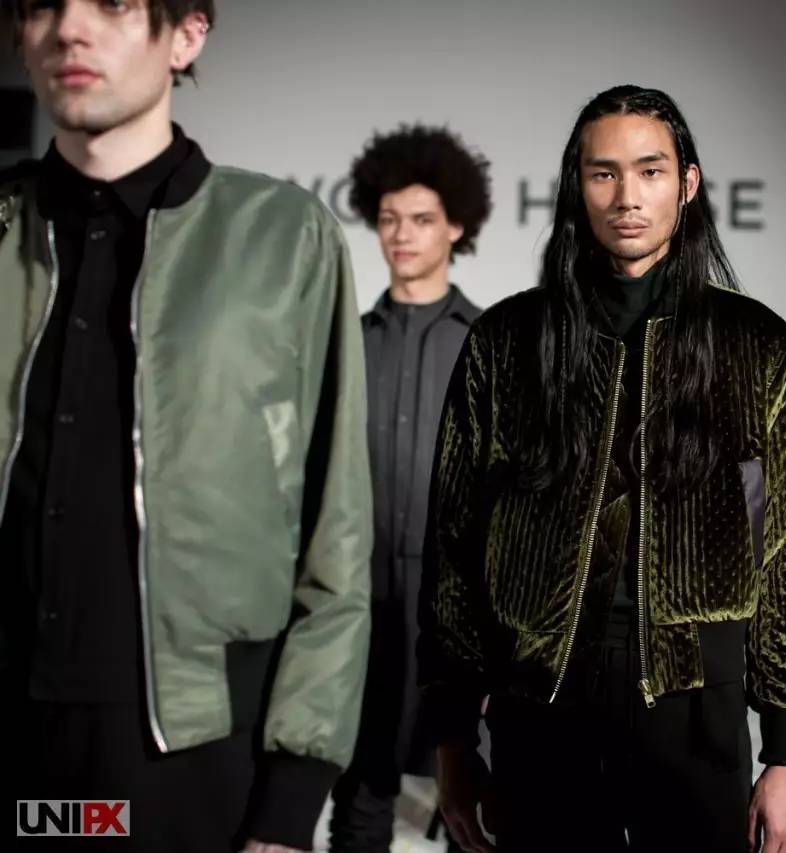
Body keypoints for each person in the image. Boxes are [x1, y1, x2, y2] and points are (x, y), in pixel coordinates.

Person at [419, 85, 786, 853]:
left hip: (695, 702)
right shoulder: (507, 343)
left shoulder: (756, 345)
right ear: (577, 185)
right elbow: (455, 548)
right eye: (603, 173)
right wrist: (452, 738)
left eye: (650, 170)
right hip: (541, 704)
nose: (627, 196)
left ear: (688, 183)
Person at [1, 2, 371, 850]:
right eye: (45, 5)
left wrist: (291, 796)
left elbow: (337, 535)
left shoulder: (282, 236)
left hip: (193, 757)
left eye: (114, 4)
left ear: (188, 34)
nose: (70, 29)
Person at [329, 124, 489, 853]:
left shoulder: (490, 342)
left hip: (460, 616)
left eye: (421, 219)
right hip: (355, 605)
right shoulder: (345, 340)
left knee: (474, 811)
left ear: (456, 225)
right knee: (360, 795)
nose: (401, 234)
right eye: (389, 218)